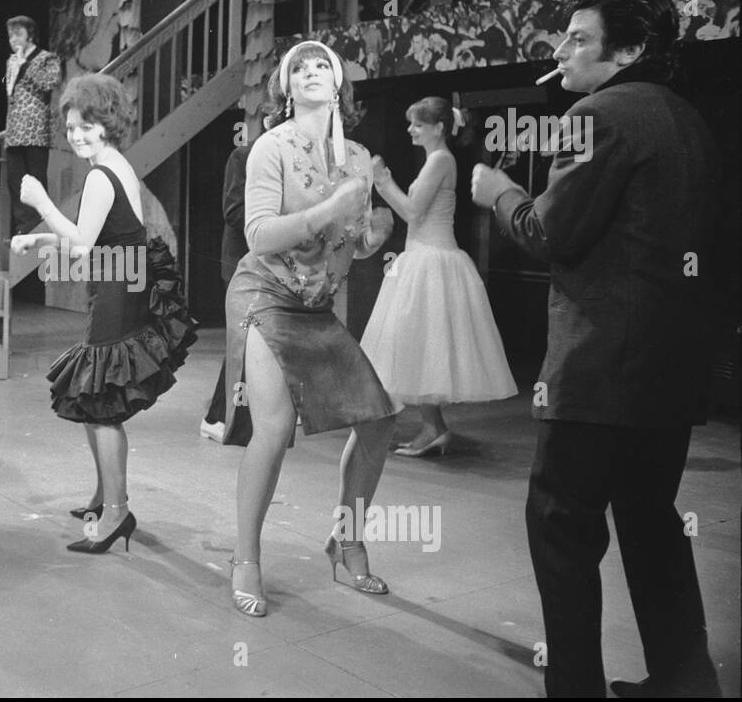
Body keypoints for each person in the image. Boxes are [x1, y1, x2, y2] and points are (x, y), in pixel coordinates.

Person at [470, 0, 722, 698]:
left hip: (598, 371)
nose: (562, 49)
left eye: (580, 38)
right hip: (669, 371)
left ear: (631, 50)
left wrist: (499, 193)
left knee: (562, 531)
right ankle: (685, 681)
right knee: (650, 522)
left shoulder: (597, 114)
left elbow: (552, 233)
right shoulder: (687, 120)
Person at [223, 40, 399, 617]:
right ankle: (245, 558)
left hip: (317, 307)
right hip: (265, 296)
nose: (312, 71)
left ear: (340, 83)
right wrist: (327, 212)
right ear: (287, 87)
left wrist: (373, 234)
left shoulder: (360, 158)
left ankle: (345, 542)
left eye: (322, 64)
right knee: (273, 429)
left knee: (378, 424)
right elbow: (258, 235)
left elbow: (351, 246)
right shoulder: (268, 147)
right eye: (300, 67)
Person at [11, 73, 196, 554]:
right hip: (121, 280)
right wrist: (39, 239)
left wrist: (40, 203)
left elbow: (81, 245)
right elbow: (99, 239)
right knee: (98, 399)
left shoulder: (99, 174)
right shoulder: (116, 165)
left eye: (87, 126)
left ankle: (116, 512)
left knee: (100, 402)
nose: (77, 135)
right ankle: (103, 496)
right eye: (71, 127)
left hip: (117, 292)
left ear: (108, 124)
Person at [361, 97, 516, 456]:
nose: (410, 130)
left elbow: (412, 212)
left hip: (432, 258)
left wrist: (383, 181)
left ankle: (432, 428)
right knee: (420, 347)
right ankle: (433, 428)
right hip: (425, 255)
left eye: (417, 124)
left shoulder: (441, 160)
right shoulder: (437, 160)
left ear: (439, 128)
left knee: (423, 345)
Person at [200, 144, 249, 442]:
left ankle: (224, 415)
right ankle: (217, 416)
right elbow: (234, 211)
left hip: (275, 262)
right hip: (241, 261)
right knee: (241, 343)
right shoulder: (243, 156)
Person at [0, 15, 61, 235]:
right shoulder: (11, 61)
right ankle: (24, 227)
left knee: (35, 178)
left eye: (18, 34)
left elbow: (49, 82)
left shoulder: (46, 58)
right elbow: (13, 97)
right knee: (15, 181)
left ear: (30, 35)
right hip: (15, 131)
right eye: (10, 35)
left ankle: (37, 225)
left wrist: (26, 65)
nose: (13, 39)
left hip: (35, 131)